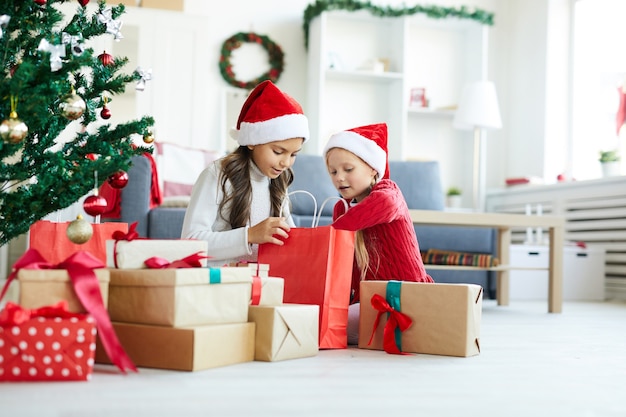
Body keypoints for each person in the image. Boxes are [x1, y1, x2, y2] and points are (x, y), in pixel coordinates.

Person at [323, 122, 434, 345]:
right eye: (333, 171)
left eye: (348, 169)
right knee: (324, 317)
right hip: (370, 298)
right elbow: (345, 262)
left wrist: (320, 237)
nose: (339, 178)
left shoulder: (389, 194)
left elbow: (342, 230)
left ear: (373, 168)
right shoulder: (341, 208)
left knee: (326, 324)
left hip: (406, 295)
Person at [181, 80, 309, 266]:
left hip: (264, 283)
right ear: (252, 140)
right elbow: (191, 242)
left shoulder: (278, 180)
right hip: (222, 282)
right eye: (278, 151)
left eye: (294, 154)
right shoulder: (217, 175)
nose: (286, 162)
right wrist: (249, 235)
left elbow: (289, 236)